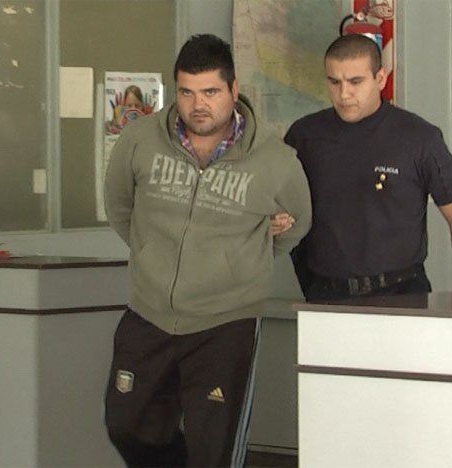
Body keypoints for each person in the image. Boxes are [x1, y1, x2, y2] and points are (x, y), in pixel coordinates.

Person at [103, 34, 311, 467]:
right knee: (127, 425)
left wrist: (241, 261)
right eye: (187, 92)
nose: (198, 105)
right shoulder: (139, 140)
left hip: (225, 322)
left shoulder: (276, 161)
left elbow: (297, 224)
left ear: (234, 90)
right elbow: (120, 209)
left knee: (212, 449)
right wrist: (150, 253)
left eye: (211, 92)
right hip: (149, 313)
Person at [283, 34, 452, 301]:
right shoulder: (304, 136)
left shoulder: (419, 138)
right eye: (334, 82)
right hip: (325, 295)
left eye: (356, 82)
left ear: (380, 79)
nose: (344, 94)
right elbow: (280, 207)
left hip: (401, 294)